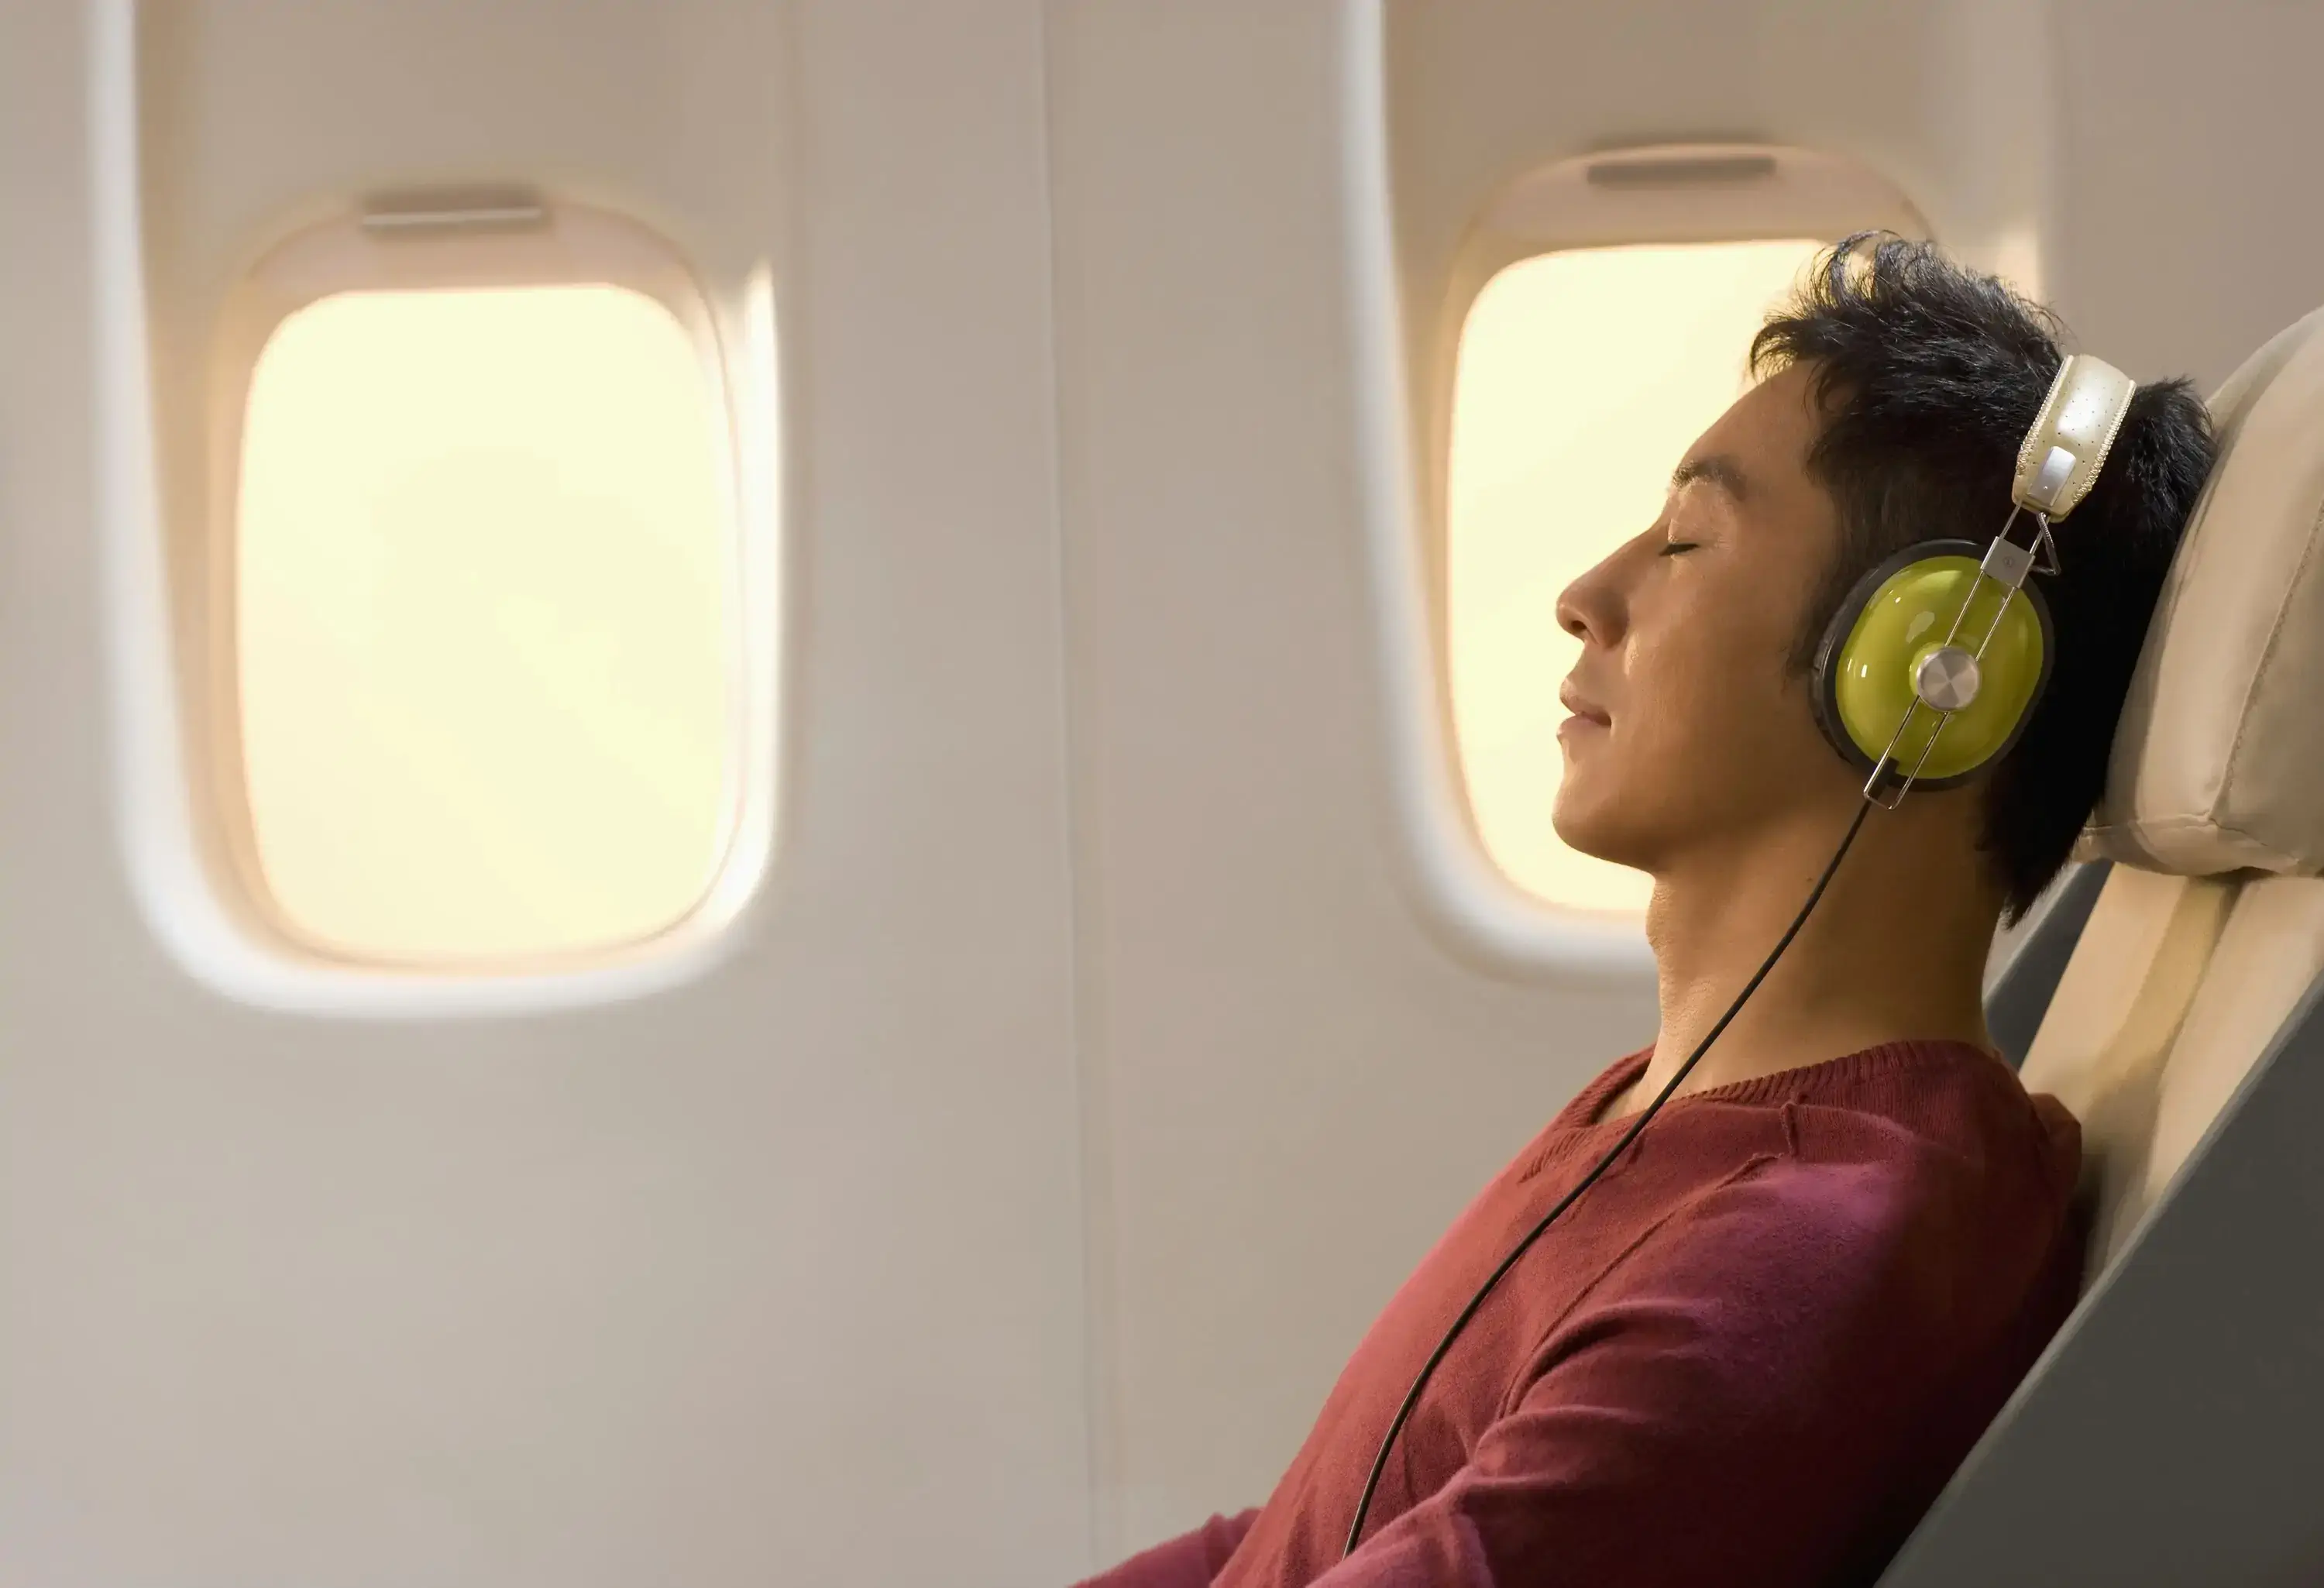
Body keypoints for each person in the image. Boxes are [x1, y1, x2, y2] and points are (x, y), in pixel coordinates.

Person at [1074, 235, 2218, 1588]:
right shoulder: (1672, 1118)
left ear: (1928, 666)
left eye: (1686, 540)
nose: (1584, 598)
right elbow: (1307, 1527)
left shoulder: (1806, 1257)